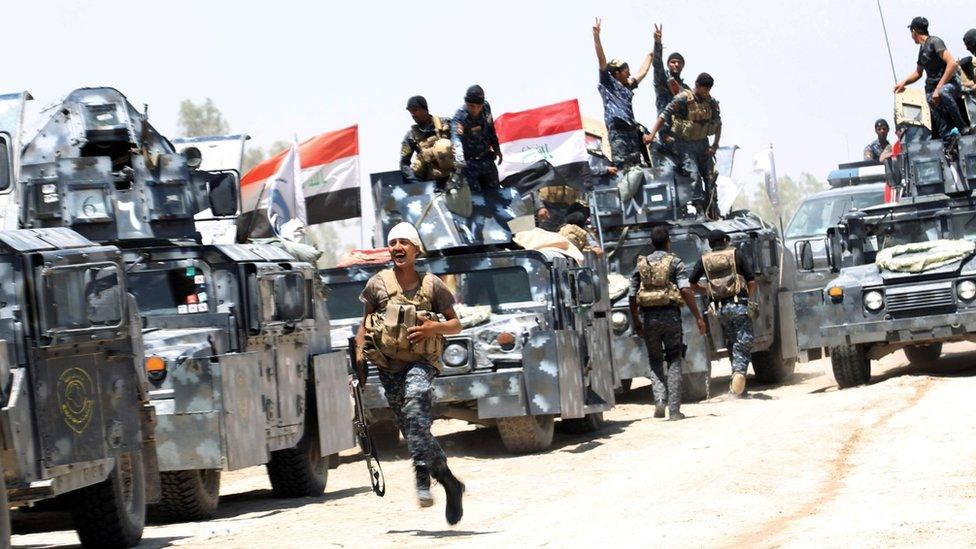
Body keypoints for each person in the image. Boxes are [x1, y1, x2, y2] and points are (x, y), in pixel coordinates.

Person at [356, 222, 465, 524]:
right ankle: (450, 483)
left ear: (417, 249)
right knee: (414, 429)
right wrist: (359, 359)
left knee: (416, 406)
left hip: (421, 362)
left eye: (404, 242)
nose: (397, 248)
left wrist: (434, 327)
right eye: (393, 243)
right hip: (389, 366)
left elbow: (456, 324)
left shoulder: (433, 285)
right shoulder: (377, 284)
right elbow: (364, 324)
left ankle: (421, 476)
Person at [629, 226, 707, 420]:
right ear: (668, 241)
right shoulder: (675, 262)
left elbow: (632, 295)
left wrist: (636, 321)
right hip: (670, 316)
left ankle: (660, 401)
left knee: (655, 360)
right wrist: (698, 316)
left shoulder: (642, 264)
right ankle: (674, 410)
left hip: (648, 318)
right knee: (673, 360)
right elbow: (686, 290)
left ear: (651, 243)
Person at [689, 229, 756, 397]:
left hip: (719, 309)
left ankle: (737, 388)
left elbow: (692, 283)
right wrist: (748, 298)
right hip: (739, 305)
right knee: (744, 340)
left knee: (733, 342)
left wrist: (708, 291)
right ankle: (739, 374)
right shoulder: (736, 254)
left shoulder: (704, 260)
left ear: (710, 244)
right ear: (725, 240)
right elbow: (752, 281)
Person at [645, 73, 721, 214]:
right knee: (694, 175)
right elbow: (664, 115)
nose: (706, 92)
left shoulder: (710, 102)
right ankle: (699, 211)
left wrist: (715, 145)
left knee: (710, 177)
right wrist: (652, 134)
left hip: (703, 144)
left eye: (708, 89)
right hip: (685, 145)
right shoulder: (682, 99)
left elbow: (718, 124)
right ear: (697, 85)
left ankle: (713, 209)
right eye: (704, 89)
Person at [592, 18, 652, 169]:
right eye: (626, 71)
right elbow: (601, 59)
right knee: (622, 167)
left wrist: (652, 53)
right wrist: (596, 37)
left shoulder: (628, 86)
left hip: (631, 131)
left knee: (636, 166)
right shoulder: (608, 83)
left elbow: (642, 72)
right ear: (617, 73)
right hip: (617, 131)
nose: (629, 74)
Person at [894, 17, 966, 138]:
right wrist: (903, 83)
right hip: (933, 89)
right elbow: (918, 73)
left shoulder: (934, 42)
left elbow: (952, 63)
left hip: (951, 84)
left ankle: (962, 127)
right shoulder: (922, 49)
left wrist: (938, 88)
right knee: (931, 100)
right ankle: (947, 138)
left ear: (914, 31)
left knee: (944, 92)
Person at [450, 85, 512, 224]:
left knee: (496, 195)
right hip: (469, 165)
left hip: (486, 159)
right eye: (470, 105)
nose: (474, 109)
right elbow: (456, 137)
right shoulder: (460, 116)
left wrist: (496, 148)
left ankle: (506, 229)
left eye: (477, 106)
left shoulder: (486, 108)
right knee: (477, 200)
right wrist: (458, 154)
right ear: (466, 103)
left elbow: (490, 129)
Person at [400, 96, 454, 184]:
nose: (412, 115)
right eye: (410, 112)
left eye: (415, 110)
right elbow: (404, 163)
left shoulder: (446, 124)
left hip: (454, 176)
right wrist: (418, 184)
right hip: (431, 182)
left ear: (424, 109)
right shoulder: (411, 136)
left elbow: (463, 142)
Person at [652, 24, 688, 115]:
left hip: (682, 127)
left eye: (679, 62)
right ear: (668, 65)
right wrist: (657, 43)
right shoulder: (662, 80)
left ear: (683, 65)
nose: (676, 64)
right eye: (673, 62)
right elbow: (657, 64)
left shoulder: (686, 88)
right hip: (665, 125)